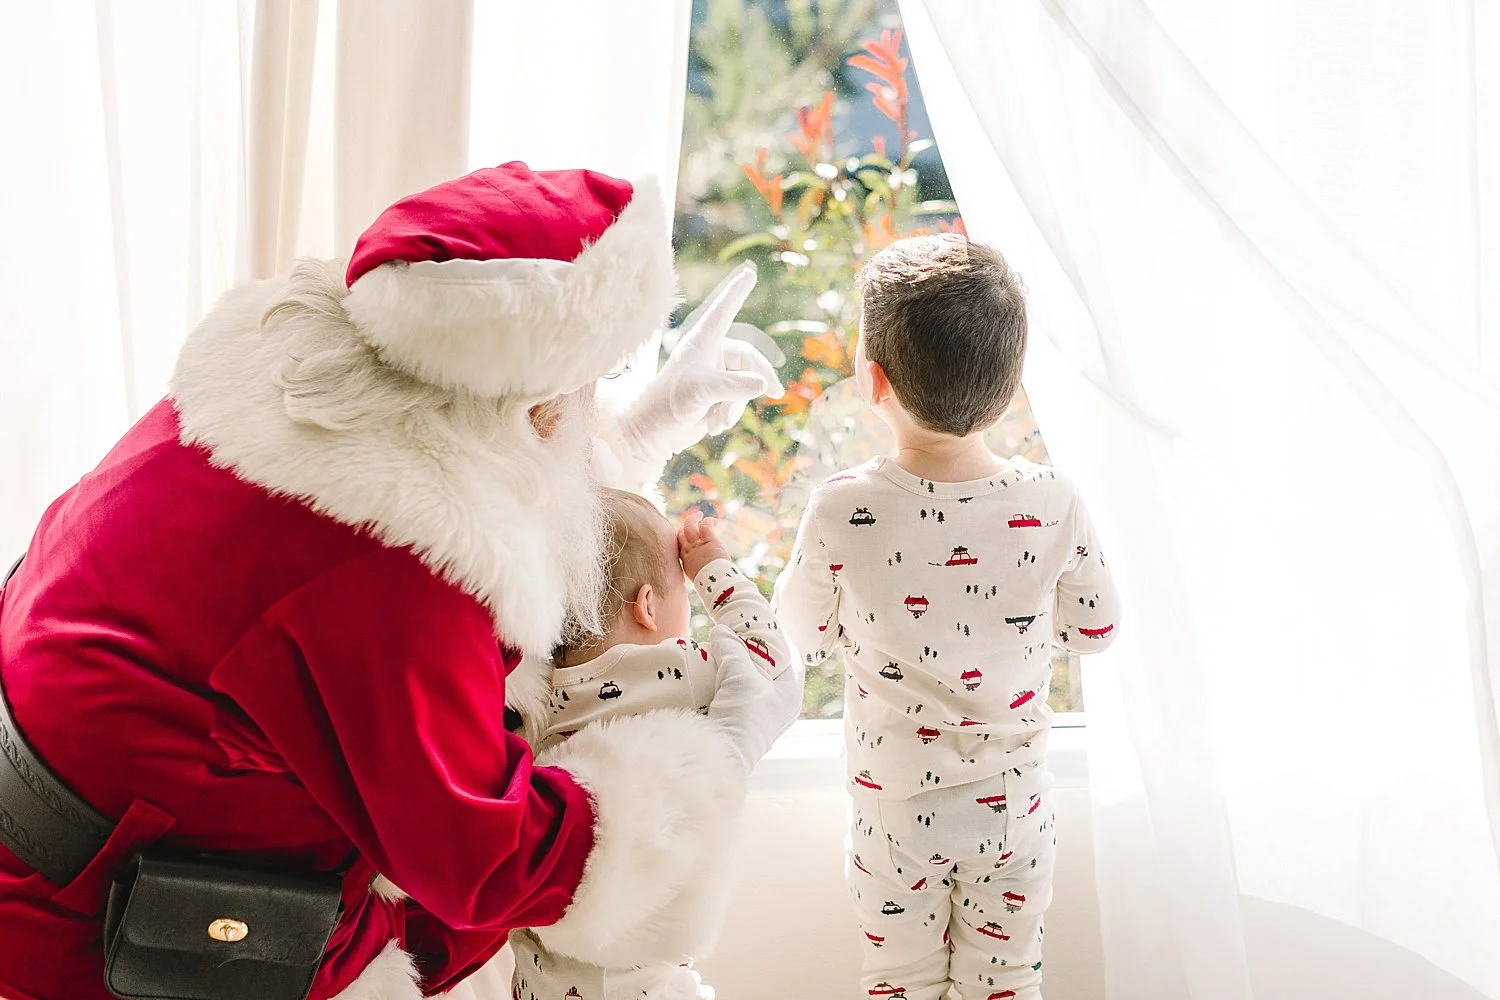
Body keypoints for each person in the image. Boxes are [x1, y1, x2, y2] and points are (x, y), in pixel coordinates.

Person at [0, 163, 803, 1000]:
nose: (592, 407)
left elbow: (504, 501)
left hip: (62, 842)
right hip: (123, 930)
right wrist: (711, 759)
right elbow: (487, 859)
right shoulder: (392, 561)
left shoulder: (293, 380)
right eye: (589, 385)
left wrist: (636, 443)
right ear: (532, 400)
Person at [773, 235, 1120, 1000]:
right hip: (1014, 810)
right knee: (1006, 983)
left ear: (873, 378)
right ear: (1011, 383)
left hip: (896, 812)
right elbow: (1097, 629)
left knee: (898, 983)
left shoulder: (843, 507)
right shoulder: (1054, 500)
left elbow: (799, 634)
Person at [507, 491, 791, 1000]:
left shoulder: (533, 694)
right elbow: (770, 668)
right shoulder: (675, 670)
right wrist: (715, 571)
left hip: (539, 979)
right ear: (646, 606)